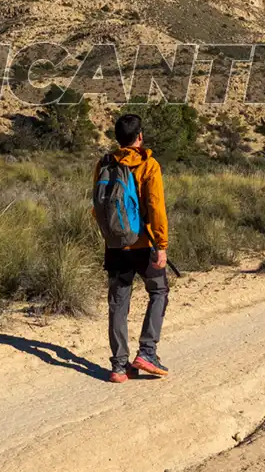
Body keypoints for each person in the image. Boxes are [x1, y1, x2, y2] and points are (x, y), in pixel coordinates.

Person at [94, 113, 170, 383]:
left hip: (115, 246)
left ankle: (119, 366)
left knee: (118, 304)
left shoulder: (105, 163)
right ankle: (147, 352)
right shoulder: (148, 165)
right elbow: (156, 207)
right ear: (140, 136)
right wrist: (161, 245)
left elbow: (98, 206)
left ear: (118, 138)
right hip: (143, 244)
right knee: (159, 290)